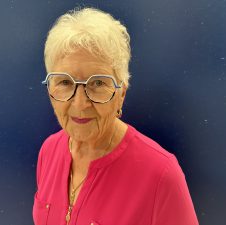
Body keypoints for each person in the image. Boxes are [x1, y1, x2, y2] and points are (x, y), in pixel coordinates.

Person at [33, 7, 199, 225]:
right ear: (49, 89)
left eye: (97, 83)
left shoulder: (161, 174)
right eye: (65, 82)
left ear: (121, 93)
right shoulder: (49, 151)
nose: (80, 104)